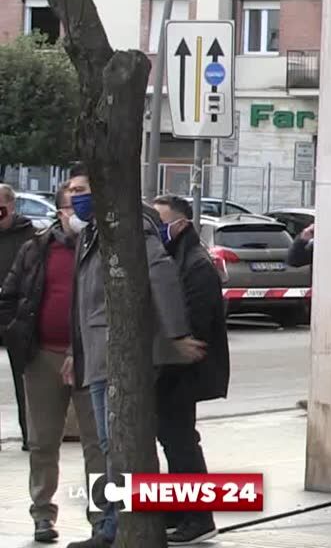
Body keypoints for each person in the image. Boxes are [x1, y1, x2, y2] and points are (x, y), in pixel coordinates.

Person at [63, 164, 206, 548]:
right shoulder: (94, 232)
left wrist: (176, 334)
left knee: (118, 443)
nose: (74, 196)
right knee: (112, 444)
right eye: (71, 189)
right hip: (95, 353)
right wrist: (73, 354)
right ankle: (118, 524)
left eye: (82, 187)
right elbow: (84, 302)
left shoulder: (127, 226)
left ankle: (116, 527)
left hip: (116, 352)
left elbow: (159, 273)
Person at [0, 183, 104, 544]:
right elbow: (10, 297)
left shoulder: (103, 248)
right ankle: (42, 515)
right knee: (43, 442)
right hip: (43, 357)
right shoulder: (37, 248)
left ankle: (103, 520)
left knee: (100, 444)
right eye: (73, 201)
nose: (80, 209)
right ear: (60, 211)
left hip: (93, 359)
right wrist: (17, 337)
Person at [151, 195, 230, 544]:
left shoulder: (195, 264)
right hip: (169, 368)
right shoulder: (172, 256)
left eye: (159, 221)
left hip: (183, 370)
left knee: (182, 442)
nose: (154, 228)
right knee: (173, 441)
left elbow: (194, 324)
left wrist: (170, 346)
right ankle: (181, 510)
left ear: (180, 224)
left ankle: (199, 517)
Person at [0, 183, 38, 451]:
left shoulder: (30, 235)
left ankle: (30, 435)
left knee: (24, 376)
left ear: (11, 205)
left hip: (16, 314)